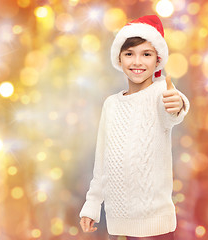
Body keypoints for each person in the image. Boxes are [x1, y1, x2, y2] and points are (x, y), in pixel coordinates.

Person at [79, 15, 190, 240]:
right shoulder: (111, 104)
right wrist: (92, 205)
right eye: (129, 54)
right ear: (119, 59)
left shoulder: (161, 94)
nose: (137, 62)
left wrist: (177, 103)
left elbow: (174, 110)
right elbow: (102, 163)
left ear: (157, 60)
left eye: (146, 54)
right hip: (118, 224)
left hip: (156, 226)